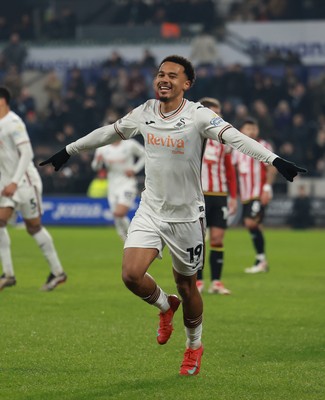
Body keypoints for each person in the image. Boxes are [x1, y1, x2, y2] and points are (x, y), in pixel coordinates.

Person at [40, 55, 306, 376]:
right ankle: (165, 307)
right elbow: (109, 132)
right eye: (160, 74)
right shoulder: (145, 112)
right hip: (151, 209)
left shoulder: (198, 116)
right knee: (130, 275)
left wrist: (274, 160)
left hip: (187, 218)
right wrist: (68, 151)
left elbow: (236, 137)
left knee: (187, 286)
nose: (164, 80)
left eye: (172, 76)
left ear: (186, 83)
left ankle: (194, 346)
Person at [0, 87, 67, 292]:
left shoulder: (13, 122)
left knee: (33, 227)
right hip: (7, 184)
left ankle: (57, 272)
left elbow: (27, 153)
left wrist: (14, 181)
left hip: (25, 182)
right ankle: (8, 274)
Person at [197, 97, 237, 295]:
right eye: (213, 112)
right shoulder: (194, 136)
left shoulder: (225, 139)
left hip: (220, 194)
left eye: (218, 112)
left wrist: (234, 196)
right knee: (198, 239)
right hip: (198, 195)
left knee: (218, 238)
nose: (216, 116)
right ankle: (197, 281)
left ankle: (216, 282)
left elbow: (229, 170)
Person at [232, 117, 277, 274]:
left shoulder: (263, 145)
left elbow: (272, 167)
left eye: (254, 127)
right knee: (252, 225)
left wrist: (267, 188)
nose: (252, 130)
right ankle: (261, 260)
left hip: (258, 193)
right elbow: (234, 171)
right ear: (241, 130)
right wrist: (235, 193)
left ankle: (261, 260)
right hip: (245, 195)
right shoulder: (236, 149)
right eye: (248, 128)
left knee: (251, 223)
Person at [91, 139, 145, 241]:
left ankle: (132, 238)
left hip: (128, 183)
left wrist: (135, 169)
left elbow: (145, 154)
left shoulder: (130, 144)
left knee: (119, 213)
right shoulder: (102, 148)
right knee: (117, 217)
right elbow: (95, 167)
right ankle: (128, 240)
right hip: (112, 185)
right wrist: (98, 161)